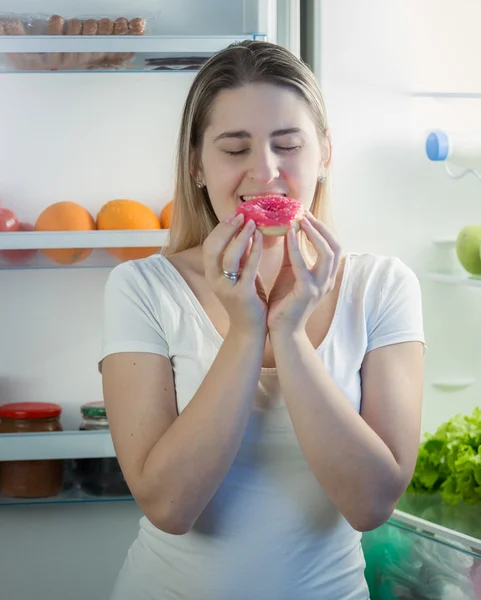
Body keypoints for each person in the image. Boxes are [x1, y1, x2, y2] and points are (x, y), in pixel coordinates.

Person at [99, 40, 425, 600]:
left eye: (287, 144)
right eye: (235, 149)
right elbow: (170, 507)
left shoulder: (383, 287)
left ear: (323, 154)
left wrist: (292, 336)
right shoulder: (142, 288)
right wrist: (246, 329)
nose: (265, 171)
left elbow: (371, 504)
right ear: (197, 166)